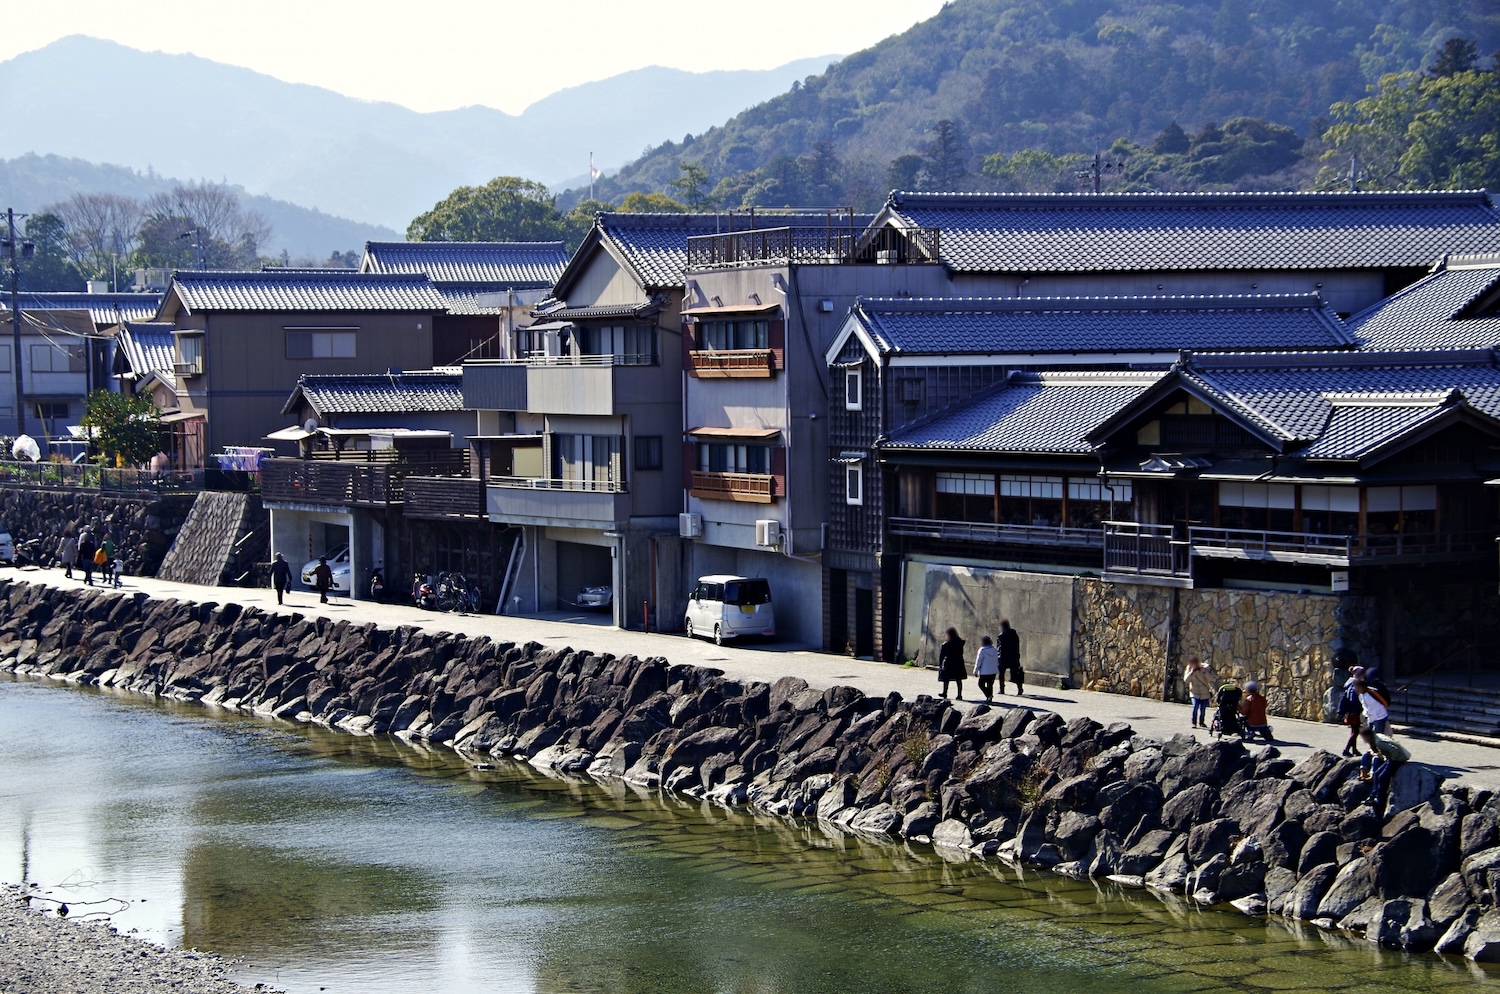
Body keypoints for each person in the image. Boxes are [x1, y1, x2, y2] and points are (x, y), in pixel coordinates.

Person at [1358, 726, 1411, 818]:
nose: (1364, 740)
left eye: (1364, 737)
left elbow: (1394, 750)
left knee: (1383, 777)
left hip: (1398, 760)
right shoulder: (1377, 736)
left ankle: (1379, 800)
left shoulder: (1379, 742)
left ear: (1367, 736)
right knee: (1377, 774)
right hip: (1392, 759)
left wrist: (1392, 761)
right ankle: (1373, 796)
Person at [1185, 656, 1216, 729]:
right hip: (1194, 692)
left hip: (1204, 693)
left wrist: (1204, 672)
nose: (1193, 665)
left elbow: (1210, 679)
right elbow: (1186, 680)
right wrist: (1191, 673)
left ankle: (1201, 722)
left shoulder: (1204, 668)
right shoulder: (1189, 669)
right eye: (1192, 664)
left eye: (1194, 663)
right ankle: (1194, 722)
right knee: (1195, 707)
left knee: (1203, 709)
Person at [937, 627, 967, 701]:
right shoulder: (960, 642)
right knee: (958, 679)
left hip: (948, 662)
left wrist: (941, 664)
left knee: (946, 679)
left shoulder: (946, 644)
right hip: (958, 661)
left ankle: (945, 692)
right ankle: (959, 695)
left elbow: (942, 655)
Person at [998, 618, 1023, 696]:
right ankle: (1020, 688)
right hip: (1013, 657)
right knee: (1016, 673)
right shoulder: (1014, 634)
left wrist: (998, 657)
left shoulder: (1001, 636)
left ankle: (1002, 689)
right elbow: (1016, 646)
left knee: (1001, 673)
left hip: (1003, 657)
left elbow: (999, 648)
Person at [973, 635, 999, 703]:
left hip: (985, 671)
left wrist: (975, 671)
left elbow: (978, 661)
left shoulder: (982, 650)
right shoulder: (994, 650)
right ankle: (990, 697)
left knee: (981, 684)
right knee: (990, 684)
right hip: (993, 670)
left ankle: (988, 695)